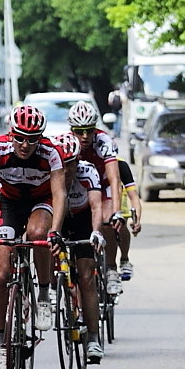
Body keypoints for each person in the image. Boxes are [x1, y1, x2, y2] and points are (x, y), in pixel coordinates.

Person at [0, 105, 66, 369]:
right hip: (9, 204)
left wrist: (55, 231)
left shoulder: (50, 153)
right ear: (11, 134)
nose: (25, 144)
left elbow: (60, 193)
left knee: (37, 235)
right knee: (0, 275)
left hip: (40, 202)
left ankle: (43, 293)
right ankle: (2, 345)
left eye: (32, 138)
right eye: (20, 137)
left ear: (40, 138)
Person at [50, 133, 106, 363]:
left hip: (83, 220)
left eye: (71, 163)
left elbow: (96, 206)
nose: (67, 169)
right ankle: (55, 289)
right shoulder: (49, 172)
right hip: (59, 220)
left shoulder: (88, 171)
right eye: (63, 164)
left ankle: (93, 338)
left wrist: (96, 232)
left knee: (86, 277)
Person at [67, 101, 123, 297]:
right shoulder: (65, 143)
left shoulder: (104, 141)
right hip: (82, 188)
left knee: (107, 221)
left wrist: (117, 212)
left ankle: (111, 268)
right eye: (79, 131)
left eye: (89, 131)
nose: (84, 136)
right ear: (71, 128)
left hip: (104, 184)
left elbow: (115, 179)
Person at [116, 158, 143, 280]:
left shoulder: (120, 165)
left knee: (120, 224)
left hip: (117, 203)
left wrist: (136, 220)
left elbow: (134, 197)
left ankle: (124, 259)